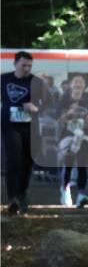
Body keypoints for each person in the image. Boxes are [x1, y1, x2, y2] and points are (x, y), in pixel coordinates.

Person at [2, 51, 49, 215]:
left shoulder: (36, 82)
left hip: (30, 127)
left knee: (27, 162)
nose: (27, 68)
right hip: (10, 126)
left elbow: (49, 103)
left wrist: (36, 108)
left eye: (29, 66)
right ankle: (12, 198)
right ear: (15, 64)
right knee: (13, 160)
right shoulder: (4, 79)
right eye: (23, 65)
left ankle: (22, 192)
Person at [57, 75, 88, 208]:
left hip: (84, 134)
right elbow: (59, 119)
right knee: (68, 163)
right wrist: (69, 113)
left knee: (82, 163)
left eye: (81, 81)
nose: (78, 84)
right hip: (68, 134)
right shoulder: (64, 98)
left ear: (84, 85)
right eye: (76, 81)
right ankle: (65, 190)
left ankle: (81, 194)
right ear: (70, 84)